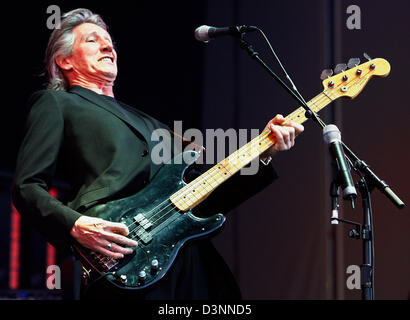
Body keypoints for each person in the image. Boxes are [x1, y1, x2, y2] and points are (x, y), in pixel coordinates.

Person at [12, 8, 304, 300]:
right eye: (92, 40)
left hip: (188, 262)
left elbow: (205, 197)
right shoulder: (57, 103)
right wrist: (74, 225)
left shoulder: (152, 124)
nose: (107, 46)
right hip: (121, 257)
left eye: (109, 41)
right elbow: (27, 187)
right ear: (64, 61)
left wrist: (265, 152)